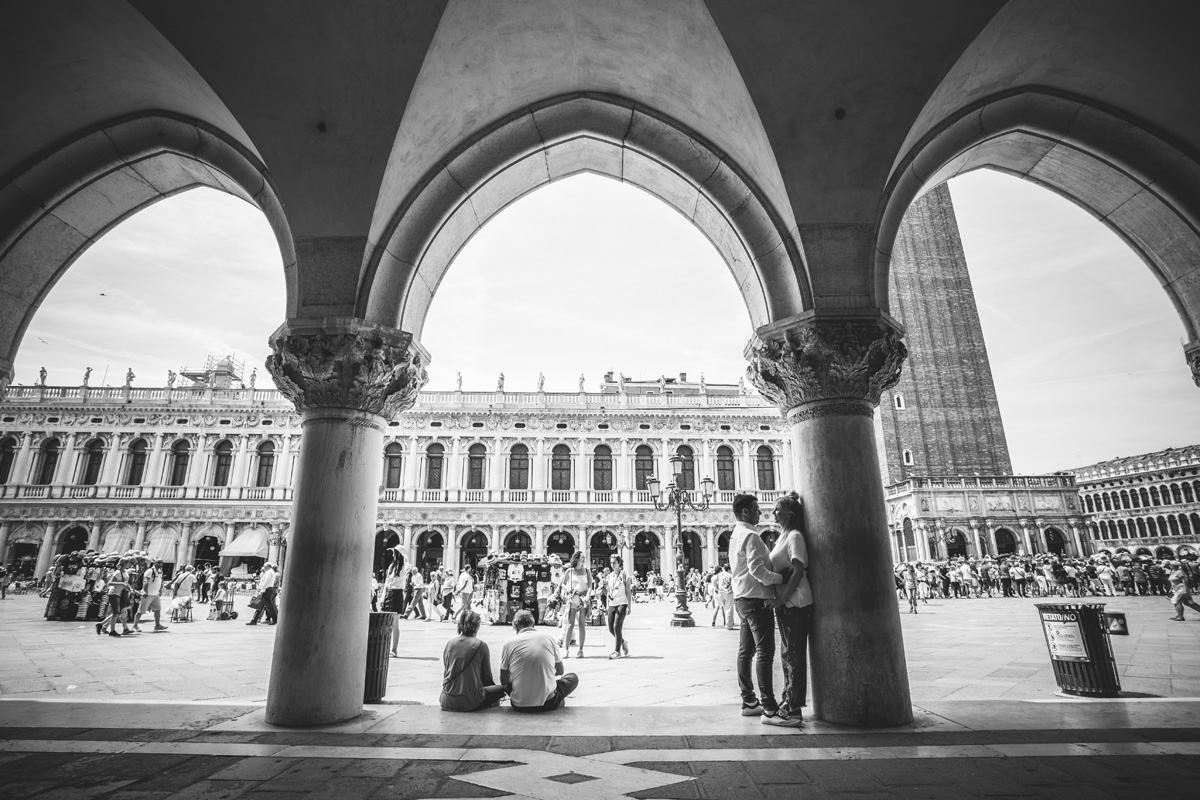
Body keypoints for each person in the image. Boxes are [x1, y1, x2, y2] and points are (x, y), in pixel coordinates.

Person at [728, 493, 786, 724]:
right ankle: (770, 709)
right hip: (756, 598)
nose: (759, 513)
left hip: (742, 598)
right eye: (756, 509)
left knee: (745, 652)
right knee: (765, 652)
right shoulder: (751, 535)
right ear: (745, 512)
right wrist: (780, 578)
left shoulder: (735, 534)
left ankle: (749, 701)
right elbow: (757, 570)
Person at [768, 491, 812, 727]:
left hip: (796, 602)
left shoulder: (794, 536)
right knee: (787, 654)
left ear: (789, 514)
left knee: (793, 654)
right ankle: (787, 701)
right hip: (787, 604)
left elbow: (798, 570)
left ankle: (793, 710)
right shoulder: (783, 535)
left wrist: (782, 598)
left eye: (777, 509)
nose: (773, 512)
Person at [500, 609, 578, 712]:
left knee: (509, 684)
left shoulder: (508, 645)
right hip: (548, 703)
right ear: (533, 624)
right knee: (573, 678)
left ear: (515, 626)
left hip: (519, 705)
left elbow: (504, 681)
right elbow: (560, 671)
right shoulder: (548, 638)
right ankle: (555, 697)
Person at [440, 610, 506, 711]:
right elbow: (487, 678)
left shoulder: (450, 644)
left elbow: (447, 669)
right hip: (469, 701)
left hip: (446, 700)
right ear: (477, 626)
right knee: (500, 690)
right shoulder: (481, 645)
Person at [560, 551, 590, 658]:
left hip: (582, 600)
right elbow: (562, 584)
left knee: (582, 625)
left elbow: (590, 586)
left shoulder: (587, 571)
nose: (583, 559)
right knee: (570, 625)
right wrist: (567, 588)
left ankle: (580, 650)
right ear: (576, 558)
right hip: (573, 598)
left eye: (584, 558)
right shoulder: (570, 571)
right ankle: (566, 650)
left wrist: (587, 596)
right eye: (582, 557)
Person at [382, 549, 409, 656]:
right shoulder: (392, 566)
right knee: (386, 623)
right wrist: (383, 597)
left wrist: (403, 555)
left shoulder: (404, 567)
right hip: (389, 593)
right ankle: (385, 647)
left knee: (395, 624)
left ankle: (394, 649)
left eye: (395, 552)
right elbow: (386, 582)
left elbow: (409, 565)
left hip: (397, 594)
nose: (392, 554)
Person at [605, 553, 632, 659]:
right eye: (611, 562)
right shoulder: (609, 576)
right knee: (610, 628)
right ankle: (623, 642)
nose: (612, 564)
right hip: (612, 603)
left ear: (619, 563)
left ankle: (617, 651)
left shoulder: (625, 576)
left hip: (622, 602)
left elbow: (628, 592)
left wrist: (629, 606)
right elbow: (608, 592)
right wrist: (607, 605)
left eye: (614, 562)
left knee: (617, 626)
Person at [134, 559, 168, 632]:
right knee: (141, 611)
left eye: (162, 563)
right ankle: (135, 625)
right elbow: (145, 582)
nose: (161, 564)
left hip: (155, 594)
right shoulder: (150, 571)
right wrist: (145, 592)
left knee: (158, 609)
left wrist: (160, 590)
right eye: (159, 563)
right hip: (148, 594)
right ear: (154, 563)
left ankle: (157, 625)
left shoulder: (160, 572)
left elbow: (160, 582)